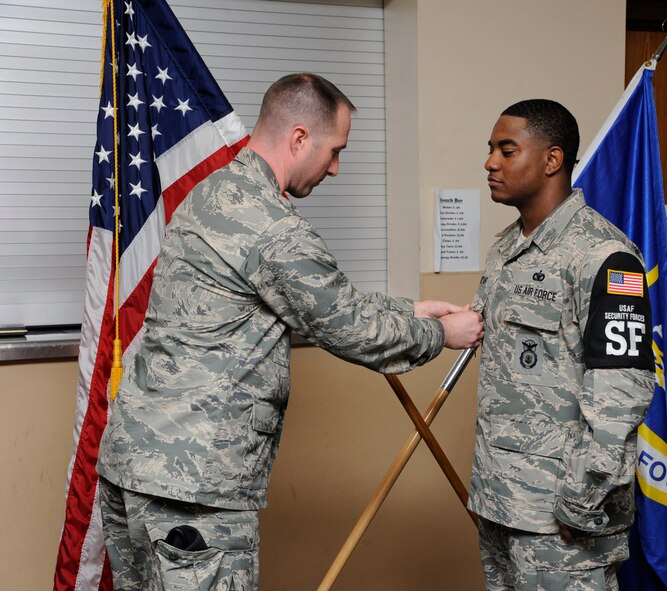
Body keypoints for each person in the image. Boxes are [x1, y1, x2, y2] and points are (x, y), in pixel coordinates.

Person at [96, 73, 483, 590]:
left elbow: (309, 298)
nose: (336, 168)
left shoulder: (209, 194)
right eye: (334, 151)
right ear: (299, 138)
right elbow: (348, 328)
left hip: (133, 465)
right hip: (196, 486)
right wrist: (442, 335)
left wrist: (411, 308)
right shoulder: (275, 227)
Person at [469, 99, 656, 590]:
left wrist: (582, 498)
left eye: (507, 150)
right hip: (501, 499)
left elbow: (621, 395)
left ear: (552, 160)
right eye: (490, 150)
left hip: (564, 512)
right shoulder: (506, 248)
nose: (491, 162)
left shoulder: (607, 256)